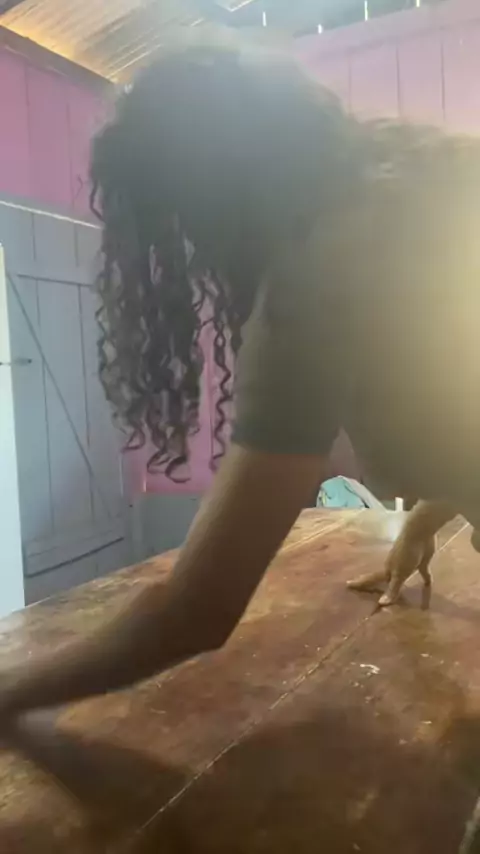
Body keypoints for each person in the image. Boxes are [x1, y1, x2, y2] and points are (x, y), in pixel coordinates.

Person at [0, 41, 479, 720]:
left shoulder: (313, 278)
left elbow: (198, 609)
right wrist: (431, 511)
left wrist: (8, 688)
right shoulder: (416, 188)